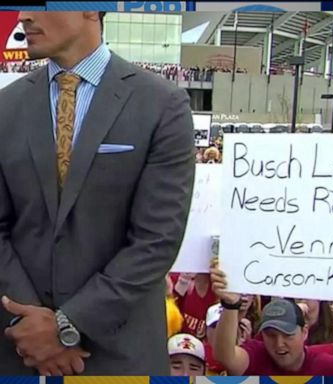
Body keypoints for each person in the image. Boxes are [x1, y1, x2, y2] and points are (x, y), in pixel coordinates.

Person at [0, 11, 195, 375]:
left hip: (119, 352)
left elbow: (157, 240)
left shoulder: (162, 104)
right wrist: (29, 324)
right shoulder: (6, 107)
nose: (23, 16)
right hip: (19, 349)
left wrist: (67, 325)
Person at [210, 263, 333, 375]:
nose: (279, 344)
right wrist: (230, 304)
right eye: (271, 334)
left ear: (304, 332)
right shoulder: (257, 354)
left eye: (288, 335)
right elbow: (225, 356)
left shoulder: (323, 365)